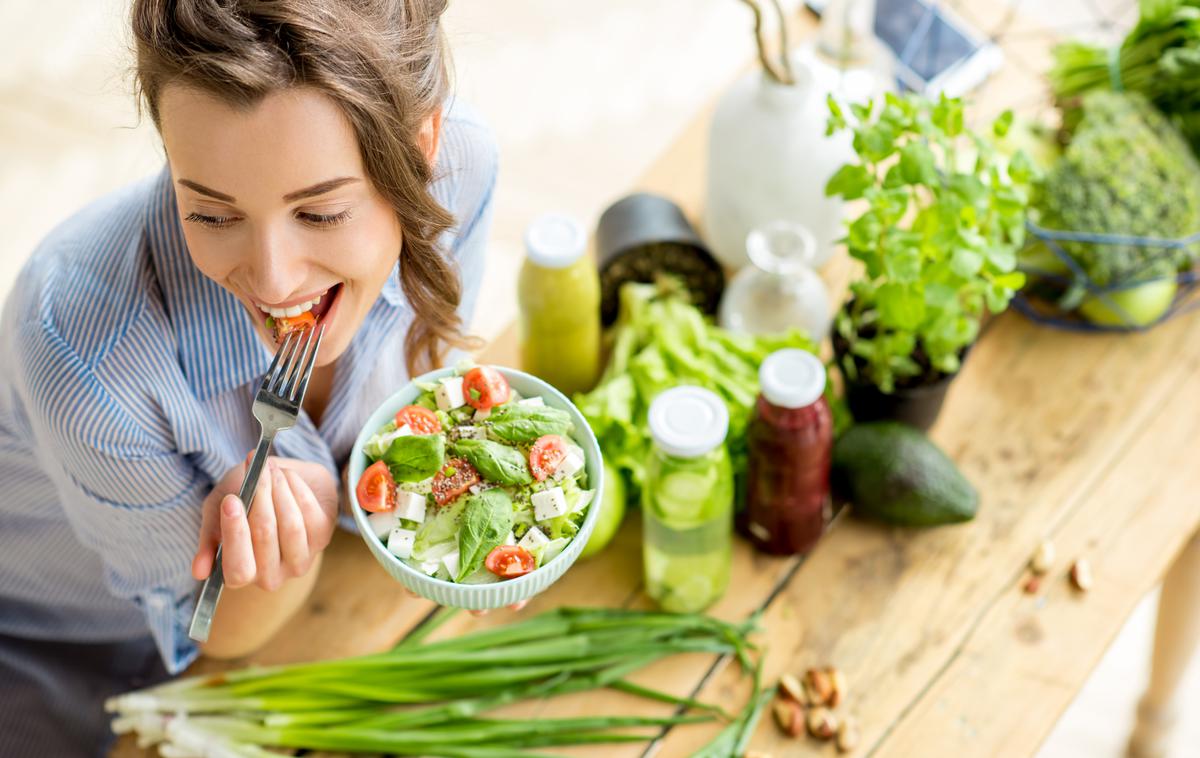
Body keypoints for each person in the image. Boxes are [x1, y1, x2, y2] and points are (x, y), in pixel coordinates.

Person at [0, 0, 497, 754]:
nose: (271, 279)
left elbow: (418, 403)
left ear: (422, 149)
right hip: (55, 654)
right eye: (210, 213)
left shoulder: (463, 172)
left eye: (322, 213)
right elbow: (215, 635)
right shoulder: (79, 346)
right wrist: (291, 534)